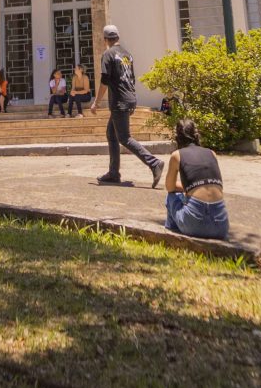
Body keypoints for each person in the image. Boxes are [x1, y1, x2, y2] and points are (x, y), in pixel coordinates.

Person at [93, 24, 162, 186]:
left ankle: (154, 163)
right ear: (117, 37)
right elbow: (132, 78)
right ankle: (113, 173)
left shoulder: (108, 54)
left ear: (105, 40)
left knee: (124, 137)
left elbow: (104, 81)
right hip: (130, 98)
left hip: (119, 101)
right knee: (111, 134)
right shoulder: (127, 54)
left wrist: (96, 102)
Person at [162, 118, 229, 239]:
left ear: (177, 137)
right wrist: (192, 187)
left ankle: (170, 233)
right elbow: (215, 185)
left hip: (195, 225)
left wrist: (187, 189)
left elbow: (169, 187)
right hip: (221, 226)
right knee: (185, 196)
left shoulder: (177, 155)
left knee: (172, 196)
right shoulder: (211, 153)